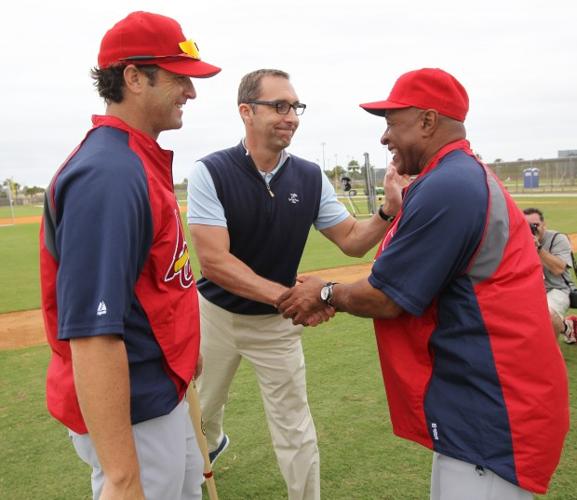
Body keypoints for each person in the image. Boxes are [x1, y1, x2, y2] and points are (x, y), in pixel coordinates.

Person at [277, 68, 569, 499]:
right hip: (482, 400)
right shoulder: (454, 177)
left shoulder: (452, 184)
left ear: (429, 122)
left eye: (393, 123)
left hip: (494, 410)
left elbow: (387, 297)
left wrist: (324, 292)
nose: (385, 137)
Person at [187, 68, 395, 500]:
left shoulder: (309, 175)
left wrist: (386, 213)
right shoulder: (211, 171)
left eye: (295, 107)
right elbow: (215, 261)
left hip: (277, 326)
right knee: (201, 411)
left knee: (293, 426)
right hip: (216, 317)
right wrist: (293, 297)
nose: (291, 116)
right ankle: (215, 439)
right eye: (278, 106)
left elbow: (352, 242)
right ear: (246, 111)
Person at [39, 11, 220, 499]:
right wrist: (122, 475)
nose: (192, 92)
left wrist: (183, 353)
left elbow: (155, 285)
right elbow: (93, 334)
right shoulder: (110, 174)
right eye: (180, 78)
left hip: (160, 390)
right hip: (133, 408)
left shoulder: (136, 157)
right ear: (134, 78)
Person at [523, 207, 576, 342]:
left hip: (557, 288)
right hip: (531, 289)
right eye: (526, 225)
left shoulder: (557, 239)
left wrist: (538, 248)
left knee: (546, 312)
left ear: (544, 224)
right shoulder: (518, 239)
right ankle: (567, 326)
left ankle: (549, 353)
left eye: (535, 225)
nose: (532, 229)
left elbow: (559, 269)